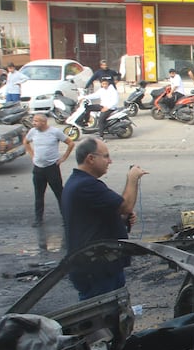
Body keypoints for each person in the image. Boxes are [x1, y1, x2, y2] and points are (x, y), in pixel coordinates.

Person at [61, 138, 147, 300]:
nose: (110, 161)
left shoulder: (81, 183)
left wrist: (121, 220)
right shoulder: (86, 185)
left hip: (101, 264)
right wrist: (132, 178)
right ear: (91, 159)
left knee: (115, 312)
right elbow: (126, 206)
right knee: (103, 315)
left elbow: (92, 219)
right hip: (95, 268)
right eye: (106, 156)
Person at [24, 113, 74, 227]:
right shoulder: (33, 131)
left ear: (43, 122)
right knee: (39, 195)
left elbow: (70, 143)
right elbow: (26, 142)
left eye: (36, 121)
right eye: (34, 121)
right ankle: (38, 219)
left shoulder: (55, 132)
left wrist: (63, 158)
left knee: (60, 194)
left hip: (52, 167)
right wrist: (32, 155)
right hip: (38, 168)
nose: (34, 123)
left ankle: (66, 218)